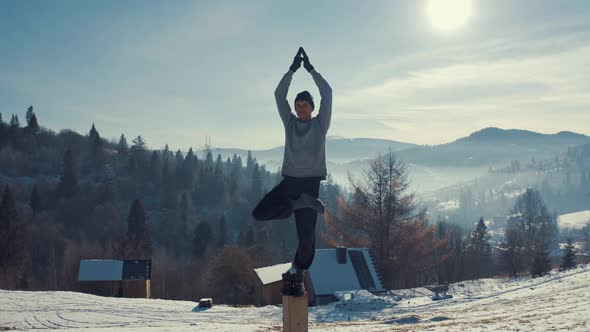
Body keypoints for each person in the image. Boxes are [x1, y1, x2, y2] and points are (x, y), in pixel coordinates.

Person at [251, 47, 332, 297]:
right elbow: (278, 94)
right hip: (291, 186)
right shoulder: (289, 122)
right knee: (259, 213)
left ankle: (297, 270)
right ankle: (299, 205)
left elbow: (327, 92)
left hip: (310, 186)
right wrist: (291, 70)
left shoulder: (320, 123)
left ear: (311, 107)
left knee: (307, 244)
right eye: (297, 105)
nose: (300, 109)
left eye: (304, 105)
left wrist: (310, 69)